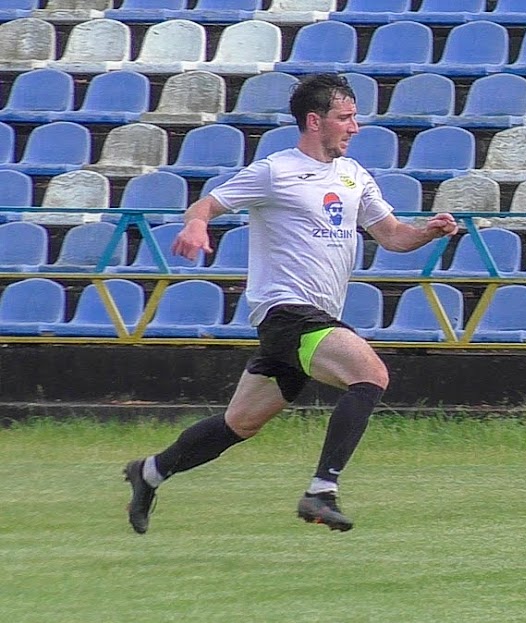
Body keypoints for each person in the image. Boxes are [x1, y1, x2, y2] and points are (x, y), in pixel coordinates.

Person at [123, 74, 459, 534]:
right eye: (346, 118)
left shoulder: (353, 175)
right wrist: (196, 226)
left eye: (355, 117)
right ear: (315, 121)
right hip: (286, 312)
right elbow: (205, 205)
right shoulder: (275, 171)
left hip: (315, 317)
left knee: (238, 424)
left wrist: (427, 232)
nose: (355, 127)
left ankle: (148, 473)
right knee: (371, 375)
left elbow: (393, 235)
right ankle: (321, 491)